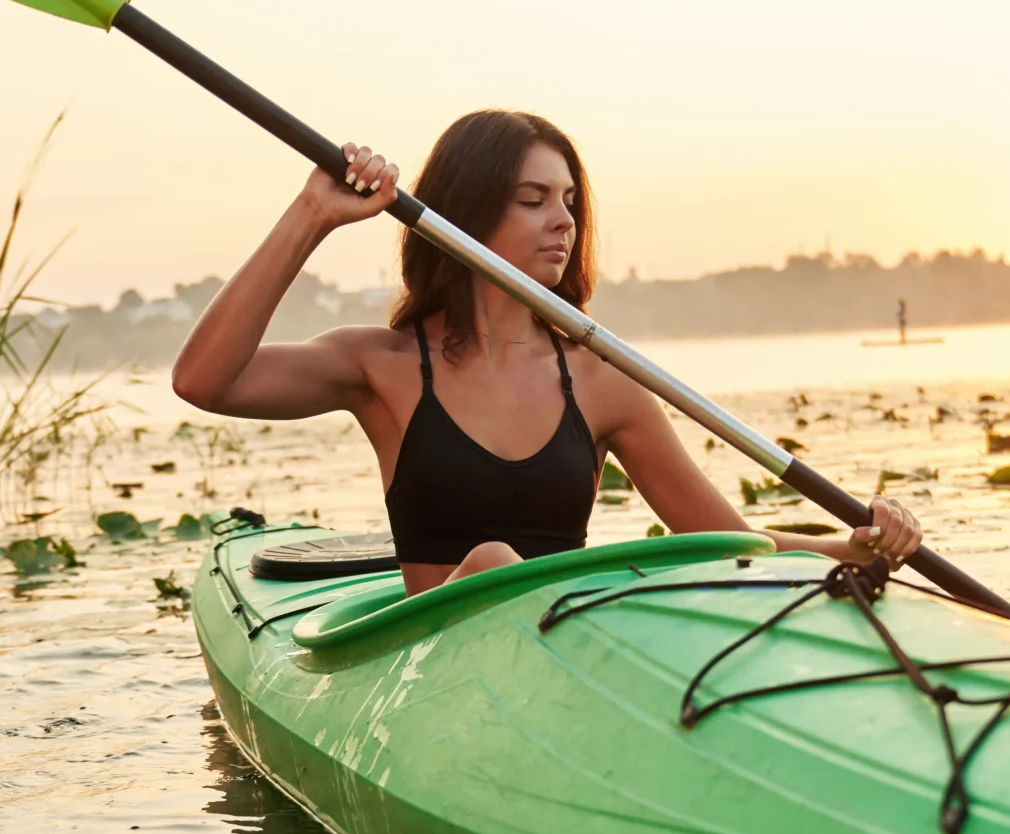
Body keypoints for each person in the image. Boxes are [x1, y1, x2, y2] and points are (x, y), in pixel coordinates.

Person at [171, 109, 922, 594]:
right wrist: (314, 214)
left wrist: (851, 545)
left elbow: (720, 541)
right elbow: (205, 380)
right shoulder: (383, 367)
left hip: (559, 660)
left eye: (569, 202)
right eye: (532, 200)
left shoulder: (605, 380)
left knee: (515, 566)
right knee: (495, 559)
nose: (562, 221)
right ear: (463, 212)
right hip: (428, 663)